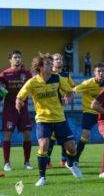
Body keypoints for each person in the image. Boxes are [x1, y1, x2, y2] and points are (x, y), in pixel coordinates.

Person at [16, 53, 82, 187]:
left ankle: (70, 163)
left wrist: (68, 97)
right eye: (48, 63)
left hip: (59, 118)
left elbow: (69, 91)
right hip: (42, 119)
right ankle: (42, 177)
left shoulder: (57, 78)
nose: (51, 65)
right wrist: (18, 102)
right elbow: (20, 96)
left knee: (72, 148)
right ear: (39, 67)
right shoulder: (32, 82)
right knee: (43, 145)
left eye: (51, 63)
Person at [0, 50, 33, 171]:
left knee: (27, 135)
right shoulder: (4, 74)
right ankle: (7, 163)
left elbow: (33, 86)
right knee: (8, 135)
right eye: (15, 57)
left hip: (23, 108)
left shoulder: (27, 73)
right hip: (9, 109)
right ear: (10, 60)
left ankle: (27, 162)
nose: (17, 59)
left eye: (19, 57)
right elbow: (1, 89)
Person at [73, 63, 104, 163]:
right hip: (89, 112)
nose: (101, 73)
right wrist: (67, 96)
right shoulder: (88, 83)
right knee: (85, 134)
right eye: (98, 71)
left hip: (102, 112)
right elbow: (74, 90)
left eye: (102, 71)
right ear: (94, 73)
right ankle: (76, 158)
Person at [46, 53, 75, 168]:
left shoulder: (66, 75)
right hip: (50, 109)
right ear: (52, 62)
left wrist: (69, 98)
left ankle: (64, 159)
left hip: (61, 109)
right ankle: (47, 159)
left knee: (64, 135)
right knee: (51, 137)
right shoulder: (48, 74)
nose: (59, 60)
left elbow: (72, 89)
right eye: (56, 59)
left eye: (60, 59)